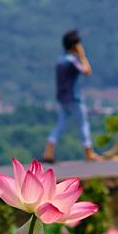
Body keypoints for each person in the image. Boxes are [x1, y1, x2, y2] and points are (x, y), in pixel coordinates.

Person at [43, 30, 102, 163]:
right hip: (74, 98)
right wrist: (82, 56)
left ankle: (48, 151)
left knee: (61, 123)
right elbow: (87, 71)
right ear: (74, 45)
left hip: (62, 98)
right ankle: (89, 152)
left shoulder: (60, 60)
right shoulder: (72, 61)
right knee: (83, 124)